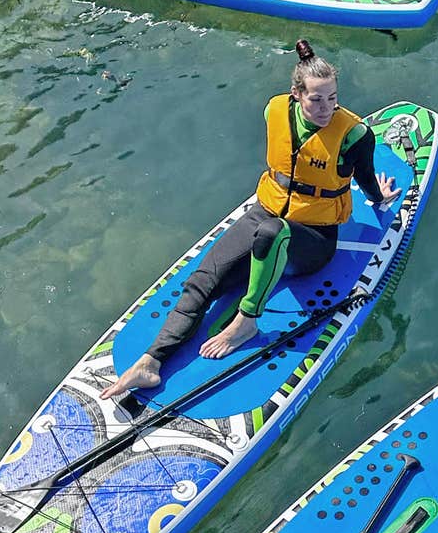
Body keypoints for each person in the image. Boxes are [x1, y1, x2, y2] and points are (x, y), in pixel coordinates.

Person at [101, 41, 400, 399]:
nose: (327, 108)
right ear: (296, 95)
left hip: (314, 239)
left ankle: (247, 320)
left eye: (332, 98)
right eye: (316, 100)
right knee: (205, 280)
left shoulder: (354, 135)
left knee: (272, 233)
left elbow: (364, 175)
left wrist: (378, 197)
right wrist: (152, 358)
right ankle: (152, 362)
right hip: (266, 212)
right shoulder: (275, 110)